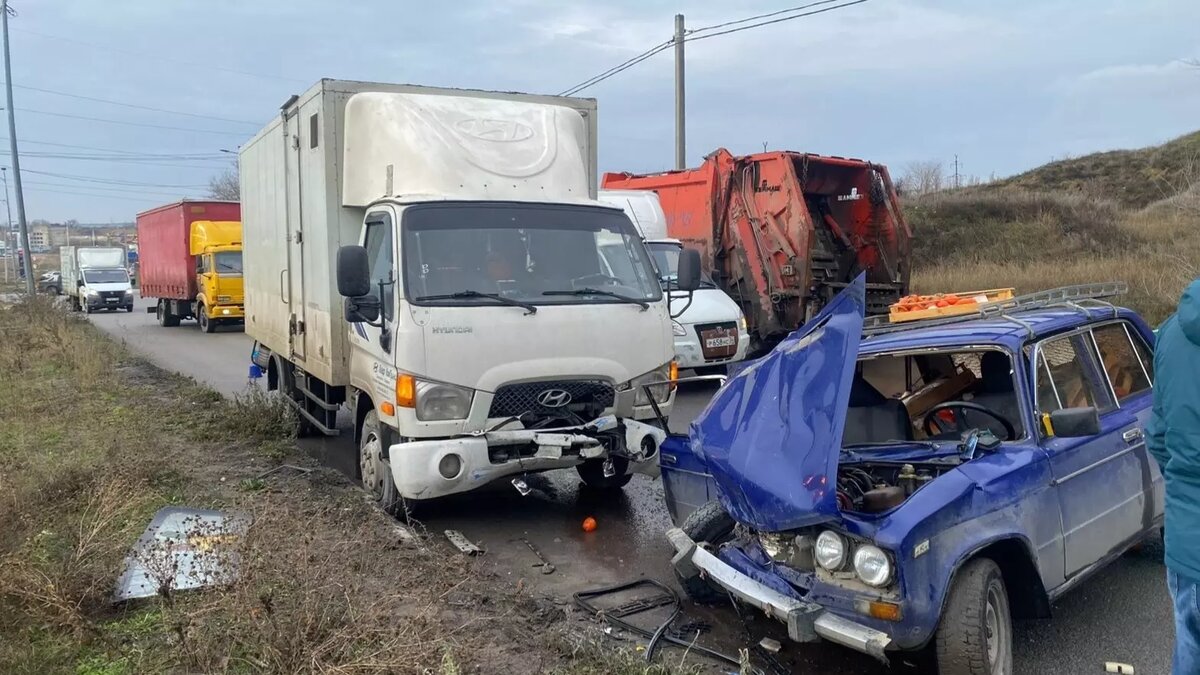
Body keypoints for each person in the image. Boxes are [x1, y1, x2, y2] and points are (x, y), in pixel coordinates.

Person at [1148, 279, 1200, 675]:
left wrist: (1185, 486)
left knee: (1189, 649)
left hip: (1188, 542)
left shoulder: (1168, 334)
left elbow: (1159, 437)